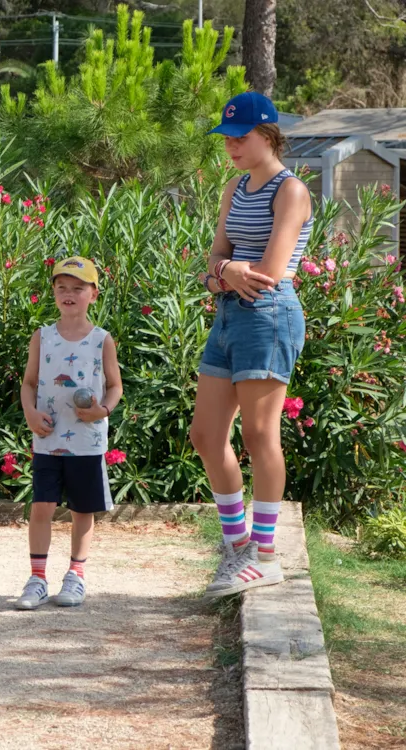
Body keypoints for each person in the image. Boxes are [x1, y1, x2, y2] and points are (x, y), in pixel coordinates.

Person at [191, 91, 313, 598]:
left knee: (261, 437)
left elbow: (267, 274)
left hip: (269, 317)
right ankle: (238, 545)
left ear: (268, 135)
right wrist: (226, 271)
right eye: (227, 139)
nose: (232, 147)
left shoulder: (292, 191)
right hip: (227, 318)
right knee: (205, 434)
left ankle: (265, 556)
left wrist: (232, 270)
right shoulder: (235, 188)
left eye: (240, 139)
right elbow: (213, 264)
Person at [16, 257, 123, 610]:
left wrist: (102, 411)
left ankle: (76, 576)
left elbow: (115, 387)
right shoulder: (42, 337)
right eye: (62, 287)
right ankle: (37, 579)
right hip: (48, 438)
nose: (69, 294)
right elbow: (29, 382)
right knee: (42, 507)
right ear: (53, 293)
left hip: (87, 442)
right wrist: (30, 413)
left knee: (82, 510)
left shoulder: (101, 340)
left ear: (93, 294)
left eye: (78, 288)